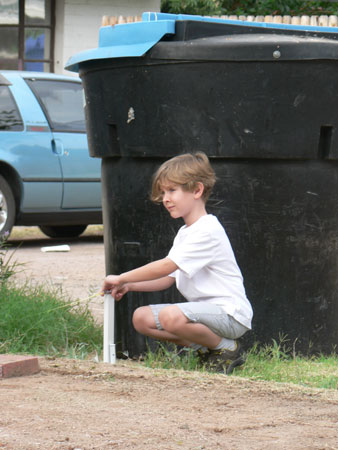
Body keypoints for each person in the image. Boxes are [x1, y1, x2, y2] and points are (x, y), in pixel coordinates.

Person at [102, 152, 253, 374]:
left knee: (170, 316)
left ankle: (227, 348)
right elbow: (167, 279)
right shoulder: (186, 232)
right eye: (163, 192)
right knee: (141, 318)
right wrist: (129, 286)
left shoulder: (207, 230)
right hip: (203, 315)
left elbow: (166, 266)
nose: (165, 198)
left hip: (229, 315)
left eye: (172, 190)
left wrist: (122, 277)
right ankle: (208, 349)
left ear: (197, 190)